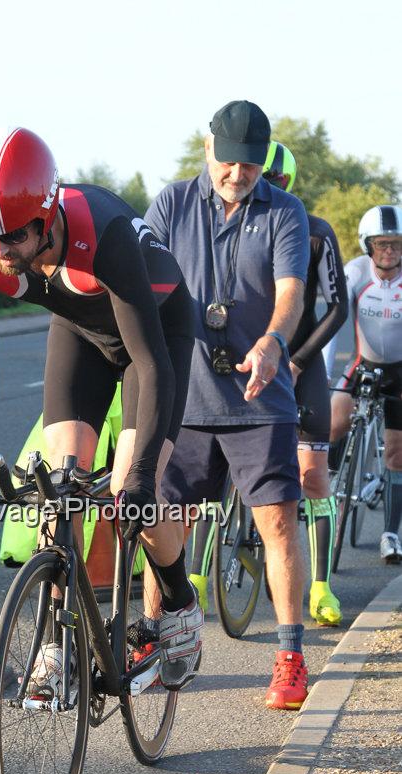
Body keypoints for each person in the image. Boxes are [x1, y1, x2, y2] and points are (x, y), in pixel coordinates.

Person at [0, 126, 202, 693]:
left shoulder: (101, 233)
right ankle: (56, 646)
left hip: (154, 337)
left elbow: (152, 365)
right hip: (80, 330)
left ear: (46, 214)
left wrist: (138, 478)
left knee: (139, 490)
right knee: (60, 484)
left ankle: (179, 602)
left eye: (10, 237)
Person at [146, 100, 311, 711]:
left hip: (258, 396)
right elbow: (143, 281)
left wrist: (273, 340)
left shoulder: (284, 210)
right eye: (228, 162)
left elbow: (290, 293)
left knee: (276, 524)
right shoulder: (170, 204)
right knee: (161, 529)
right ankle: (164, 641)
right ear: (207, 148)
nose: (237, 175)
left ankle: (290, 656)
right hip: (183, 397)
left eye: (250, 165)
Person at [187, 142, 348, 627]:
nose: (264, 188)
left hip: (299, 364)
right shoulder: (213, 218)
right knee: (202, 486)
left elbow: (336, 308)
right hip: (241, 368)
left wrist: (295, 360)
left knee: (312, 475)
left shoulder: (312, 231)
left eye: (276, 183)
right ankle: (194, 576)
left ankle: (319, 586)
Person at [324, 206, 402, 564]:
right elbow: (332, 322)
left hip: (399, 372)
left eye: (396, 244)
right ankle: (323, 490)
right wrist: (326, 375)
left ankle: (390, 534)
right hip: (361, 363)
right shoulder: (354, 272)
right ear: (368, 245)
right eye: (382, 244)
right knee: (334, 422)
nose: (389, 250)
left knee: (396, 453)